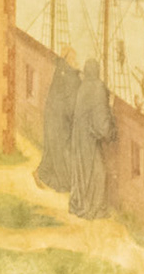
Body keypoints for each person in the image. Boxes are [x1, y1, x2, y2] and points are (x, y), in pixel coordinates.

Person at [65, 57, 115, 219]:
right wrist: (111, 110)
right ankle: (94, 209)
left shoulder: (84, 86)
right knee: (99, 173)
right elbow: (102, 123)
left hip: (79, 136)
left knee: (82, 171)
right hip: (88, 139)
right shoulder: (97, 88)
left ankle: (80, 203)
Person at [34, 49, 79, 194]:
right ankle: (52, 177)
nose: (74, 60)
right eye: (72, 58)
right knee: (55, 148)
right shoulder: (63, 73)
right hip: (56, 118)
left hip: (57, 117)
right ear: (67, 59)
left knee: (53, 148)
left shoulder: (62, 71)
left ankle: (41, 173)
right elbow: (67, 96)